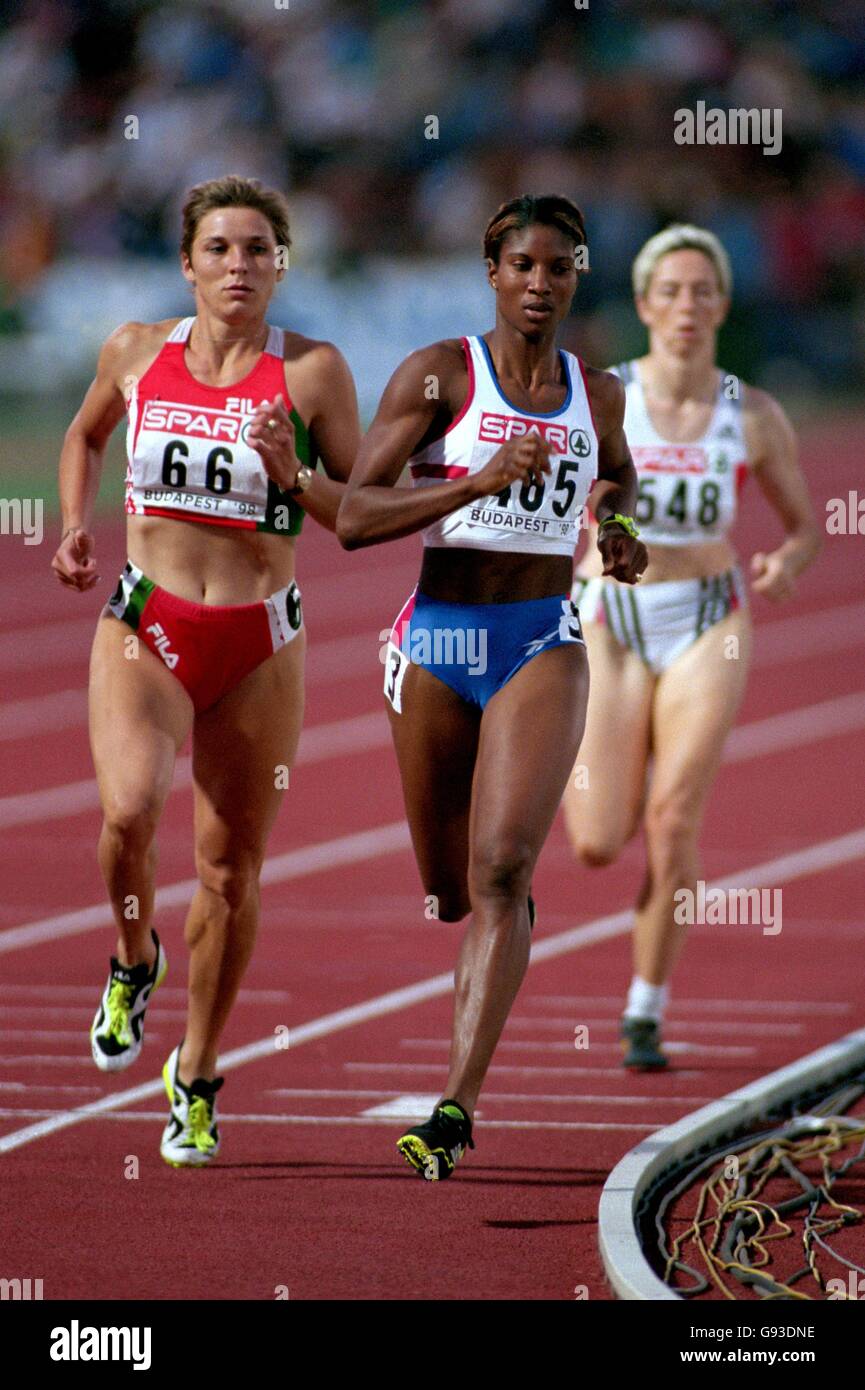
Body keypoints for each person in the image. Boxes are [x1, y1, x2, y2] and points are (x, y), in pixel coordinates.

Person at [50, 175, 360, 1164]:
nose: (239, 266)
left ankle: (196, 1070)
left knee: (229, 872)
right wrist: (70, 528)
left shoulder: (311, 373)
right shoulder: (135, 350)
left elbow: (357, 507)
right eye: (220, 248)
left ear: (281, 265)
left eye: (259, 249)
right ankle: (133, 957)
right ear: (188, 263)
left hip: (259, 643)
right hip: (147, 624)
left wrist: (295, 476)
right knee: (128, 813)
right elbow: (85, 432)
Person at [337, 193, 647, 1179]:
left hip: (540, 637)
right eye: (523, 265)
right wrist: (473, 483)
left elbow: (619, 479)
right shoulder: (439, 372)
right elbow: (352, 516)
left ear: (577, 276)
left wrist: (616, 530)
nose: (540, 283)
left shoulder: (597, 393)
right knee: (446, 891)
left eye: (559, 268)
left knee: (504, 868)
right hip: (436, 641)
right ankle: (489, 913)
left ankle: (453, 1108)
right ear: (492, 268)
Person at [561, 224, 822, 1070]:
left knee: (674, 819)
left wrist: (786, 559)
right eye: (668, 291)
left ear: (721, 304)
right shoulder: (606, 398)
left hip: (709, 617)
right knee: (598, 839)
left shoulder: (751, 413)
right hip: (609, 613)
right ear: (642, 305)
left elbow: (803, 525)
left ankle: (645, 1007)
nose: (684, 306)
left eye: (700, 290)